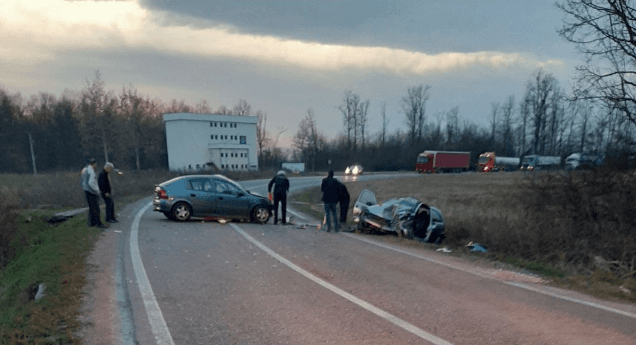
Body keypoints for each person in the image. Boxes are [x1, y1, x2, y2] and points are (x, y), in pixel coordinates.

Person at [81, 159, 106, 229]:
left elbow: (82, 181)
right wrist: (97, 190)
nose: (96, 166)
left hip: (86, 191)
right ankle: (98, 223)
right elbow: (91, 183)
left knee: (91, 208)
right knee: (96, 208)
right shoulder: (91, 171)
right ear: (93, 164)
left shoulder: (85, 170)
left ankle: (91, 223)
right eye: (95, 164)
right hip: (91, 192)